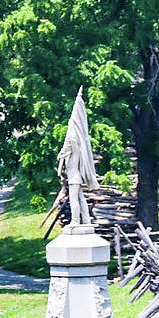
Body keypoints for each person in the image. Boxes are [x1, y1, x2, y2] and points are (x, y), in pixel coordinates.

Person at [57, 87, 99, 226]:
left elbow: (71, 143)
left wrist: (71, 132)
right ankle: (86, 220)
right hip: (75, 177)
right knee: (81, 198)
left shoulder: (75, 150)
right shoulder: (70, 155)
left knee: (74, 198)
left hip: (75, 177)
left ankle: (75, 220)